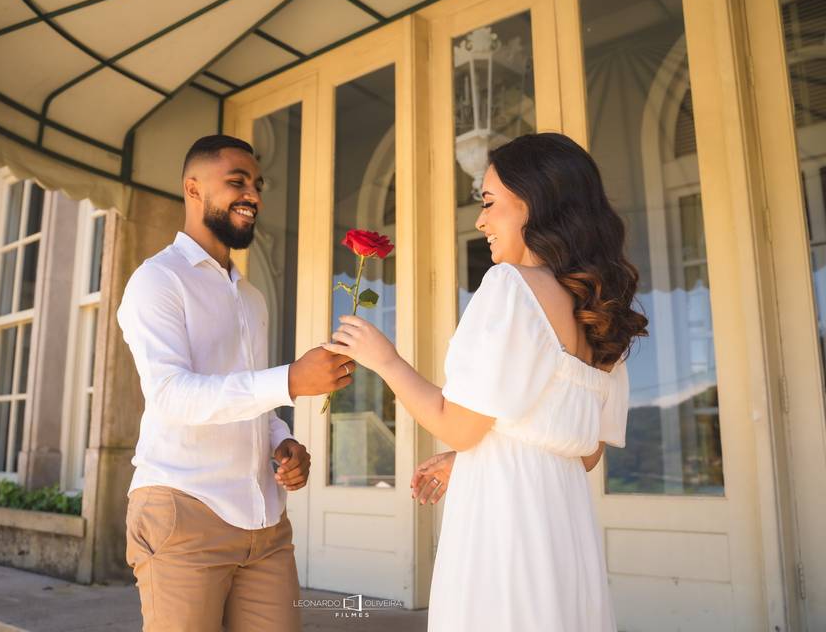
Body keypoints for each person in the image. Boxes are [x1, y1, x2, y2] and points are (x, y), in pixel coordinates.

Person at [323, 133, 648, 631]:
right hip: (565, 531)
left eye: (490, 203)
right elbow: (582, 453)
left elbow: (459, 427)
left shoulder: (512, 286)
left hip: (504, 528)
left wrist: (384, 360)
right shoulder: (601, 314)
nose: (480, 221)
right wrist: (477, 457)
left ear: (534, 205)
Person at [119, 134, 356, 632]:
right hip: (183, 512)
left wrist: (282, 441)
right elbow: (170, 394)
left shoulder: (250, 297)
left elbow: (252, 403)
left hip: (266, 525)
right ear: (193, 188)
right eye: (237, 181)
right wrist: (290, 379)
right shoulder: (157, 280)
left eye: (257, 183)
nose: (253, 194)